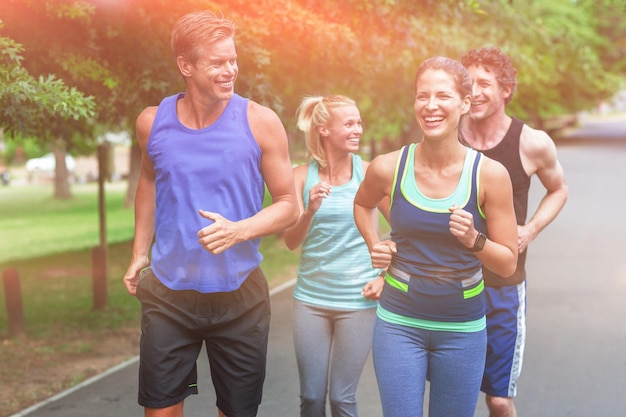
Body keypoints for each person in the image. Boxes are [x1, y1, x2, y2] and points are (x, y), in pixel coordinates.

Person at [122, 11, 298, 417]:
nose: (230, 70)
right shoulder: (152, 123)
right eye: (218, 62)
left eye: (233, 60)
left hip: (240, 298)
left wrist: (240, 230)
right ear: (186, 66)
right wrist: (138, 252)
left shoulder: (260, 122)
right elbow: (147, 183)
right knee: (160, 411)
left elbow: (290, 203)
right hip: (169, 295)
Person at [353, 56, 519, 417]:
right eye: (421, 96)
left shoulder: (490, 175)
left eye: (442, 96)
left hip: (462, 327)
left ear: (464, 103)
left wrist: (476, 239)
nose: (430, 106)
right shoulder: (388, 166)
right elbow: (363, 204)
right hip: (399, 322)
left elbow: (507, 264)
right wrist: (374, 245)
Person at [460, 46, 568, 417]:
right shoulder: (447, 136)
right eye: (467, 82)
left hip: (503, 284)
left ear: (505, 89)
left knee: (499, 400)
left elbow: (559, 189)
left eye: (484, 83)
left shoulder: (531, 142)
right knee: (451, 394)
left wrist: (531, 229)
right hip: (448, 282)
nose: (473, 91)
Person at [284, 95, 389, 417]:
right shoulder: (301, 177)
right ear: (324, 130)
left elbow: (407, 228)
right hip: (310, 301)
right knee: (312, 398)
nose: (358, 129)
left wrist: (385, 276)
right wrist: (310, 210)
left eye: (359, 122)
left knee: (343, 399)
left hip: (357, 301)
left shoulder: (369, 173)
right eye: (349, 124)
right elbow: (290, 242)